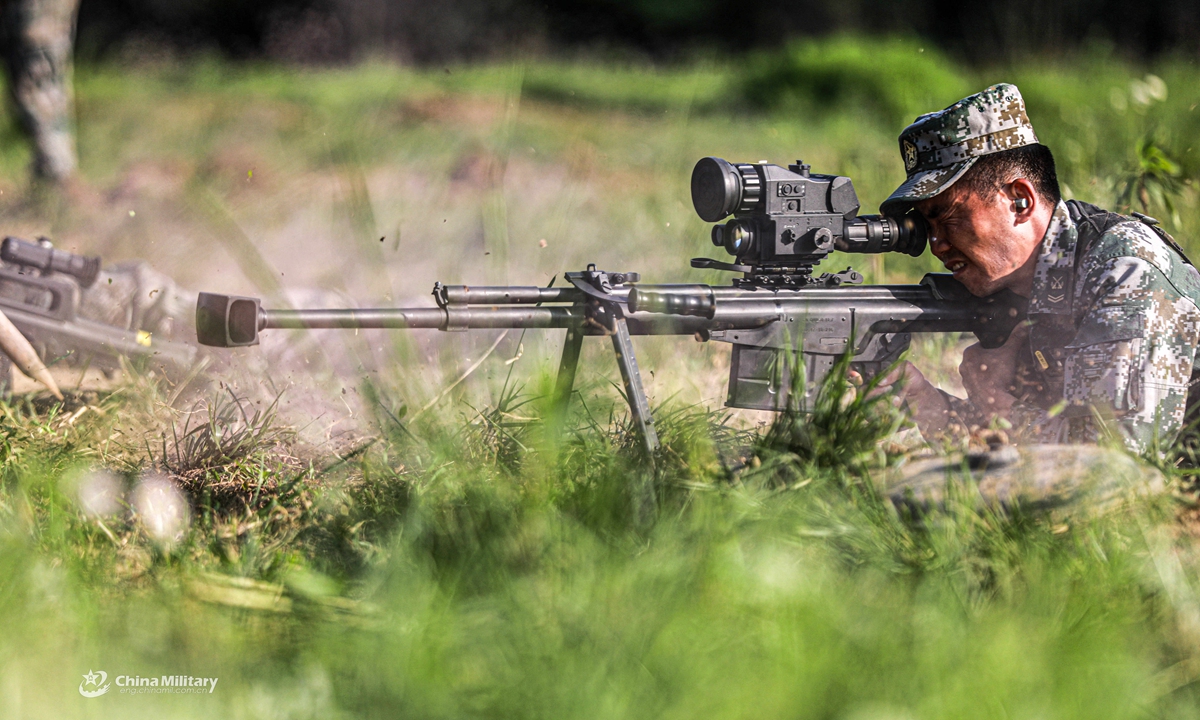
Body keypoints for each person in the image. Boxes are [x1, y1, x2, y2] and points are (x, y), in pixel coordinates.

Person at [875, 83, 1200, 453]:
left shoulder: (1124, 270)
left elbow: (1114, 460)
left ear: (1020, 200)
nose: (936, 244)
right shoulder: (1015, 287)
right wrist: (922, 398)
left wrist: (995, 402)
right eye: (927, 228)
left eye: (949, 218)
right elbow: (1030, 447)